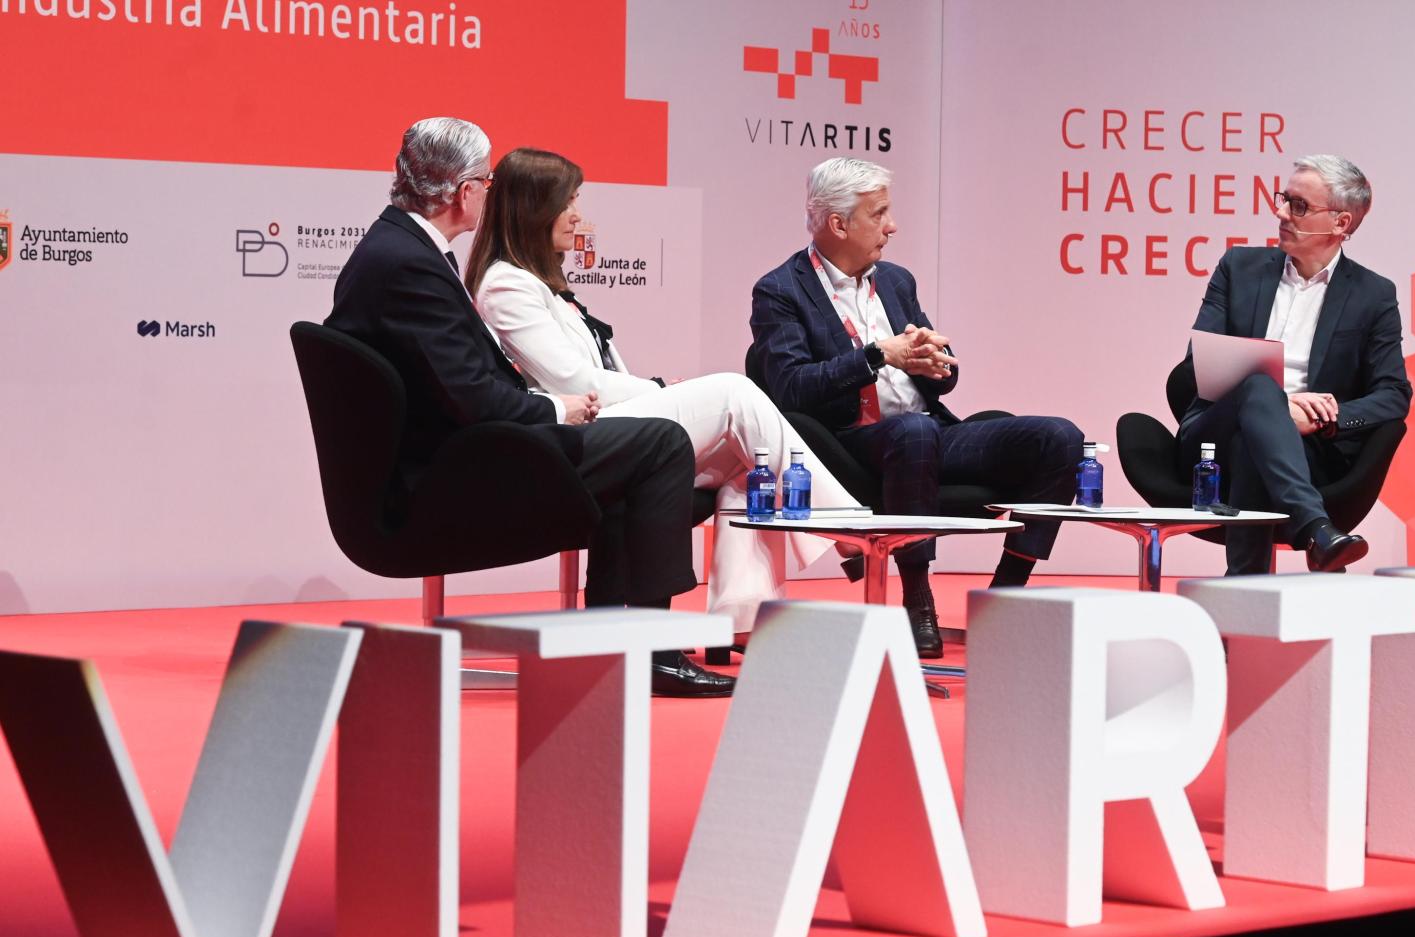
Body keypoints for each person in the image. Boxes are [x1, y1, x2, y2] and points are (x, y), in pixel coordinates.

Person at [323, 118, 732, 697]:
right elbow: (468, 395)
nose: (490, 192)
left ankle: (614, 640)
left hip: (461, 452)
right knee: (659, 440)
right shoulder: (407, 263)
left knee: (643, 453)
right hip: (448, 476)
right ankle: (653, 649)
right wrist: (556, 409)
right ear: (465, 192)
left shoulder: (398, 248)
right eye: (486, 180)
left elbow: (458, 384)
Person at [466, 147, 867, 634]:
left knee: (750, 461)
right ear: (534, 208)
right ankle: (846, 523)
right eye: (568, 203)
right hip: (573, 437)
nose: (578, 217)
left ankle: (740, 622)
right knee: (732, 392)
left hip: (608, 422)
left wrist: (651, 389)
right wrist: (655, 387)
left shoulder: (543, 284)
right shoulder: (506, 285)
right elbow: (571, 383)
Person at [750, 157, 1084, 657]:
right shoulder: (780, 290)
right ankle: (917, 597)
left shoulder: (897, 281)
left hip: (929, 431)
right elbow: (790, 388)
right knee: (910, 431)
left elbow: (941, 379)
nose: (892, 226)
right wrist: (877, 355)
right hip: (850, 443)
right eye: (880, 214)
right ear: (840, 224)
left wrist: (936, 364)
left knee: (1061, 438)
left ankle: (1008, 592)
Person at [1176, 153, 1412, 575]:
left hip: (1306, 446)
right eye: (1285, 199)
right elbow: (1198, 362)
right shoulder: (1239, 268)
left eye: (1299, 205)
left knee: (1255, 439)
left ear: (1341, 224)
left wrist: (1325, 419)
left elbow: (1394, 395)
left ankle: (1243, 590)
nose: (1281, 212)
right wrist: (1276, 405)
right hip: (1214, 433)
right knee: (1259, 388)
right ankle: (1316, 529)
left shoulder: (1373, 295)